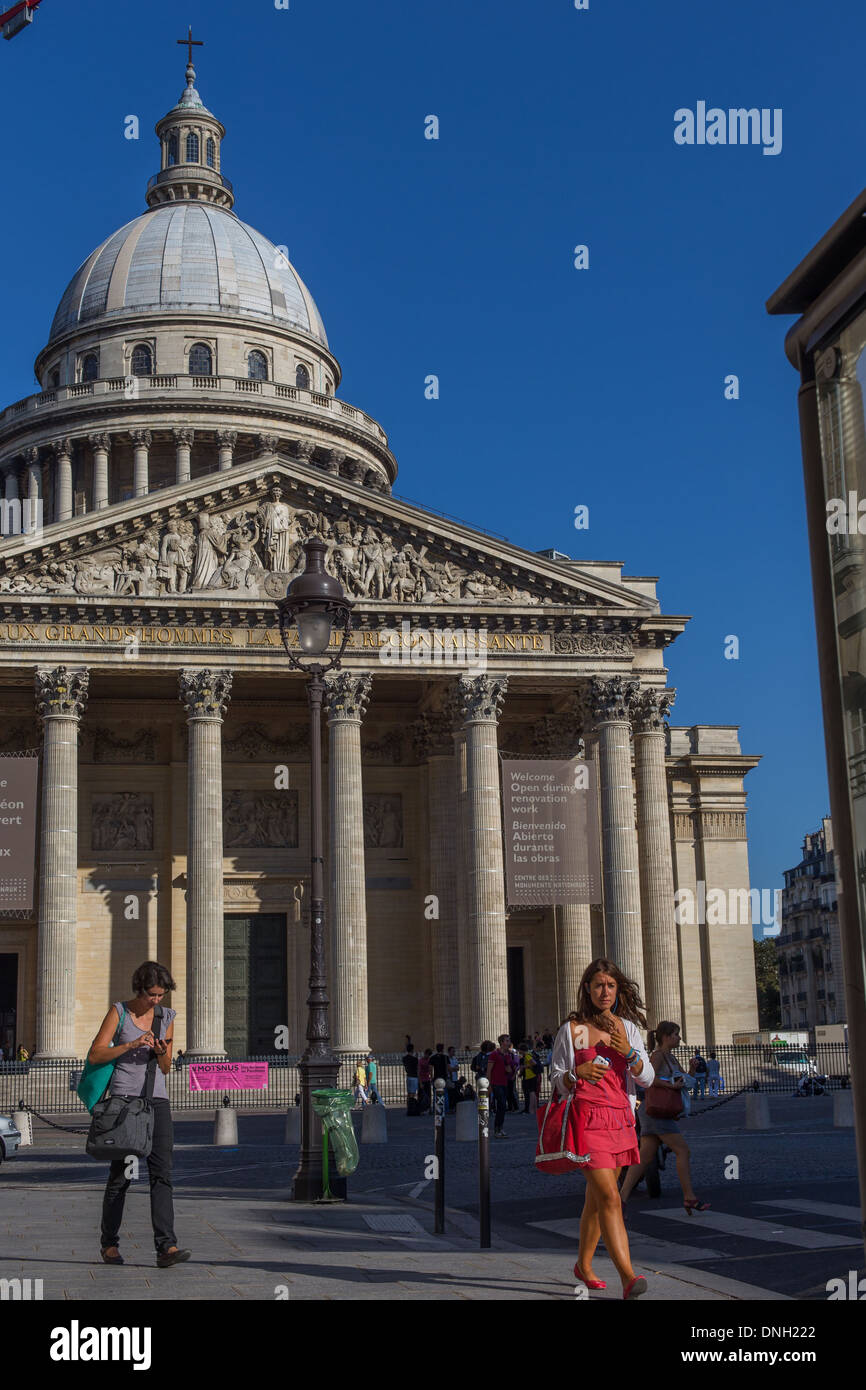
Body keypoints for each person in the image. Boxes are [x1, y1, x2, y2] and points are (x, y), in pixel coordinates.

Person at [550, 958, 654, 1299]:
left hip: (620, 1119)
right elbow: (556, 1078)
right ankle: (628, 1277)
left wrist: (631, 1055)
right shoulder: (573, 1030)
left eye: (610, 986)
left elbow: (647, 1078)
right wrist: (575, 1075)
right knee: (610, 1197)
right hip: (588, 1120)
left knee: (596, 1200)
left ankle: (583, 1264)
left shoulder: (628, 1028)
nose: (604, 992)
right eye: (598, 985)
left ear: (618, 990)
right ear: (587, 989)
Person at [89, 960, 190, 1268]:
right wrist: (131, 1044)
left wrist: (160, 1051)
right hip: (124, 1103)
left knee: (163, 1174)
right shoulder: (119, 1013)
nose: (157, 1001)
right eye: (153, 995)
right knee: (121, 1175)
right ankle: (109, 1244)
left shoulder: (166, 1017)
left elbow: (166, 1067)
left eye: (161, 995)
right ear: (140, 989)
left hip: (156, 1102)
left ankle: (166, 1247)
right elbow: (96, 1053)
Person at [619, 1021, 710, 1215]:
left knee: (643, 1158)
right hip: (657, 1112)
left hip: (656, 1112)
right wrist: (671, 1087)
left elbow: (685, 1081)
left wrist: (692, 1070)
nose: (679, 1038)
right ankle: (689, 1197)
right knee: (682, 1151)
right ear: (666, 1036)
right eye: (676, 1034)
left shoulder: (671, 1057)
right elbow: (648, 1079)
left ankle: (620, 1199)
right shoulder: (658, 1056)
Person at [487, 1034, 515, 1137]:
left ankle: (500, 1128)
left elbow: (509, 1070)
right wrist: (489, 1085)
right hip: (496, 1083)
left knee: (502, 1107)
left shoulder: (507, 1055)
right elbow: (489, 1070)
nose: (509, 1043)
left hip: (504, 1083)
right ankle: (497, 1129)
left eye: (509, 1041)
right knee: (501, 1105)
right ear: (502, 1042)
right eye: (507, 1041)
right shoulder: (494, 1055)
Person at [520, 1041, 539, 1112]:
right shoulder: (529, 1054)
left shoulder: (527, 1055)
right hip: (532, 1076)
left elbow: (534, 1063)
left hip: (530, 1076)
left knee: (531, 1093)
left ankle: (531, 1109)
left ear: (522, 1050)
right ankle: (534, 1108)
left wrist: (525, 1066)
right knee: (532, 1092)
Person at [402, 1043, 419, 1114]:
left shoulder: (404, 1058)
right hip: (414, 1077)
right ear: (412, 1050)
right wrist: (416, 1057)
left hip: (408, 1076)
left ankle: (408, 1107)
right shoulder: (414, 1059)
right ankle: (411, 1108)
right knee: (412, 1093)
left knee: (409, 1093)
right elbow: (417, 1068)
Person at [418, 1049, 433, 1113]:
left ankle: (429, 1108)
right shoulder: (420, 1061)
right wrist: (420, 1083)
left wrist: (431, 1078)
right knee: (421, 1095)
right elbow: (418, 1072)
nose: (428, 1056)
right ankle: (421, 1109)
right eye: (427, 1054)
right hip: (422, 1079)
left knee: (429, 1095)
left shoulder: (429, 1060)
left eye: (429, 1055)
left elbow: (430, 1071)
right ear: (425, 1053)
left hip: (427, 1079)